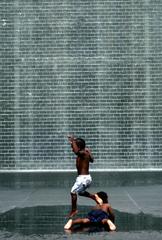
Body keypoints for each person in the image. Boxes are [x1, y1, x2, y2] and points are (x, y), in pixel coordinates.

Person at [67, 135, 102, 217]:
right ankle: (93, 196)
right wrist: (89, 152)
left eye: (73, 147)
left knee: (73, 192)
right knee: (80, 192)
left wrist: (73, 141)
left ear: (78, 147)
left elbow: (76, 151)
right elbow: (92, 160)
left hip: (83, 178)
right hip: (85, 178)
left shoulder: (82, 153)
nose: (72, 149)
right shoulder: (84, 153)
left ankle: (74, 210)